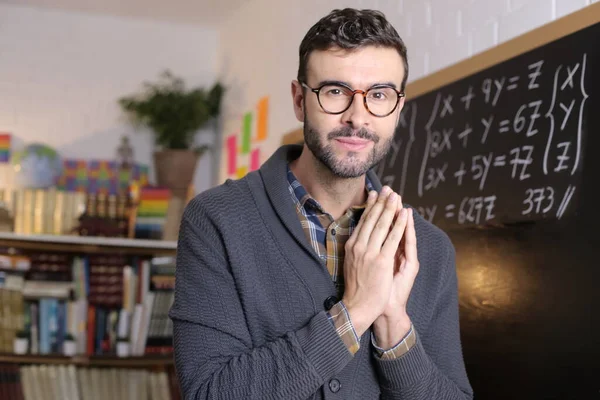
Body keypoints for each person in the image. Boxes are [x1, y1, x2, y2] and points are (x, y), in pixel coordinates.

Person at [169, 7, 473, 400]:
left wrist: (393, 323)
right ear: (299, 100)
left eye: (378, 95)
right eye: (335, 92)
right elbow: (209, 393)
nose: (356, 116)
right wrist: (356, 312)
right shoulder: (218, 220)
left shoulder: (428, 249)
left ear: (398, 107)